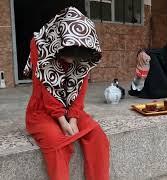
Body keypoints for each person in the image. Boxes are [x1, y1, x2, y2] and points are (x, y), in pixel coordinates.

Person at [23, 7, 109, 180]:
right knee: (58, 144)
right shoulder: (40, 44)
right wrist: (63, 121)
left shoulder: (85, 48)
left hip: (71, 109)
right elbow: (45, 87)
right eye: (68, 55)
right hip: (42, 111)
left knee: (98, 138)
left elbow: (81, 85)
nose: (72, 61)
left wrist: (74, 117)